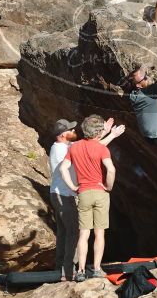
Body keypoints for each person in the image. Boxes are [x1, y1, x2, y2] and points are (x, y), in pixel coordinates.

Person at [48, 118, 124, 281]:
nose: (74, 132)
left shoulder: (65, 147)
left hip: (61, 193)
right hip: (66, 195)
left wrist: (104, 132)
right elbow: (95, 147)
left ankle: (62, 268)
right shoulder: (64, 149)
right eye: (71, 130)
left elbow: (91, 145)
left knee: (64, 232)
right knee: (75, 232)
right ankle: (69, 272)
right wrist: (112, 134)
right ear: (62, 135)